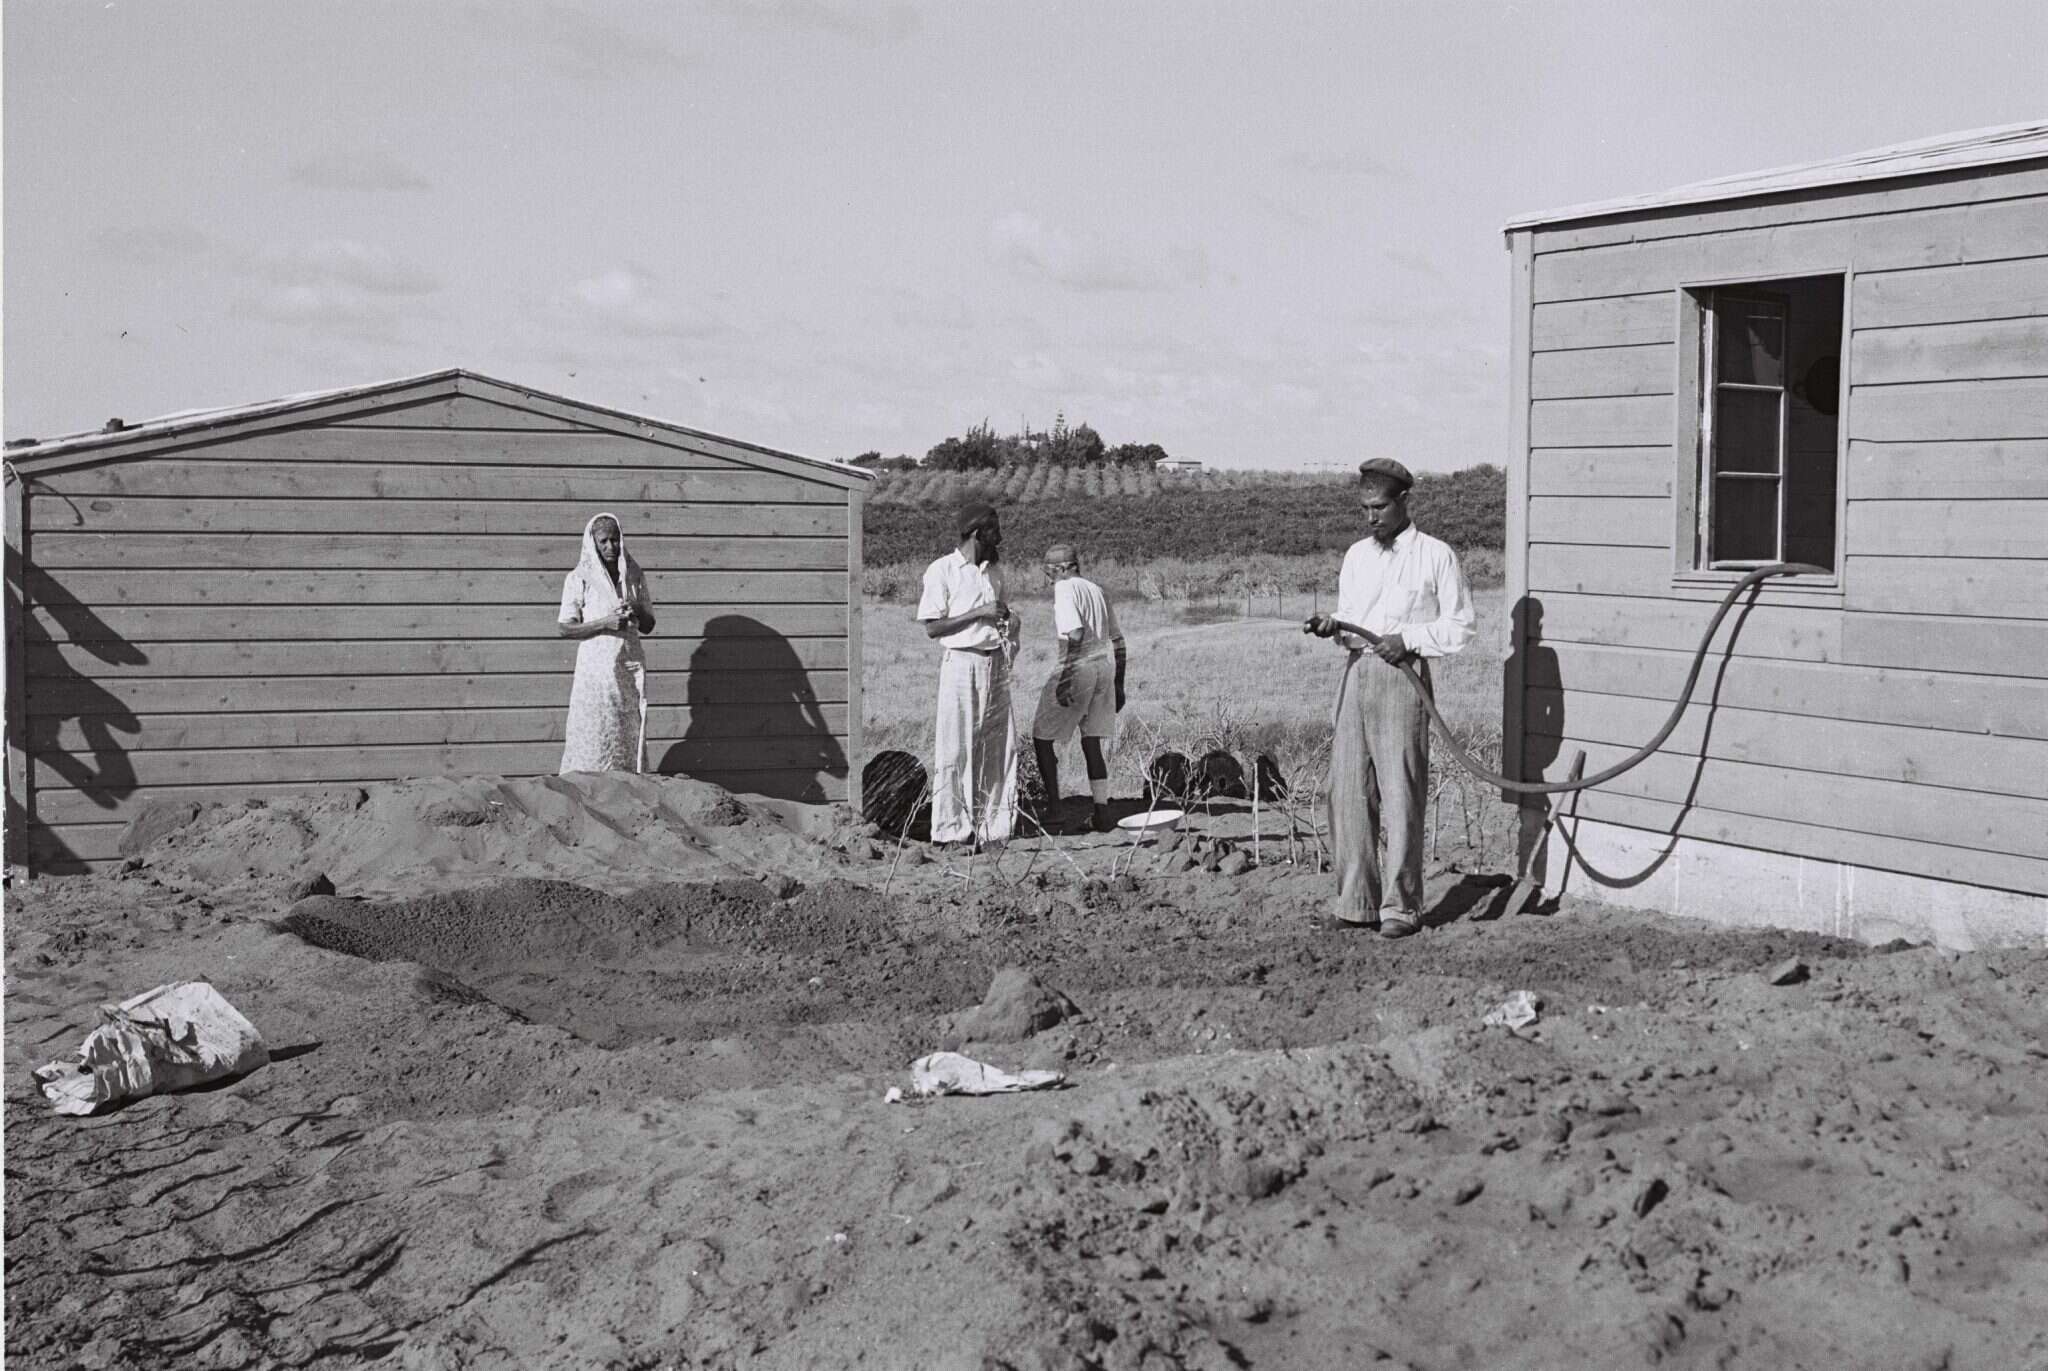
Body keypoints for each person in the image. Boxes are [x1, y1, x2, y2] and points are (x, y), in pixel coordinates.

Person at [1307, 459, 1475, 938]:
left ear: (1405, 501)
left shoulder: (1435, 556)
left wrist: (1409, 639)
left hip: (1403, 678)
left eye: (1379, 507)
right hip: (1357, 673)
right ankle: (1355, 901)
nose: (1371, 518)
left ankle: (1401, 908)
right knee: (1347, 792)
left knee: (1401, 792)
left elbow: (1461, 626)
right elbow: (1351, 615)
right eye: (1365, 509)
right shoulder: (1358, 555)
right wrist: (1332, 625)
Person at [916, 501, 1020, 848]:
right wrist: (979, 613)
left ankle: (995, 828)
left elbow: (1000, 614)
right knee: (956, 746)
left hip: (995, 661)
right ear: (977, 533)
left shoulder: (995, 573)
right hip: (961, 662)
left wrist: (1008, 622)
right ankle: (950, 830)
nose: (999, 539)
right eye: (994, 532)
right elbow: (933, 627)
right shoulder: (942, 570)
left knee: (999, 748)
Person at [1029, 543, 1127, 834]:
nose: (1048, 580)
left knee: (1042, 737)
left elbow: (1075, 633)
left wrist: (1065, 678)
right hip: (1104, 668)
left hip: (1080, 668)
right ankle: (1102, 811)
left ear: (1061, 569)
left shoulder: (1064, 588)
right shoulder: (1096, 590)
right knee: (1091, 740)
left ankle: (1055, 809)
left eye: (1049, 573)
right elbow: (1119, 642)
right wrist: (1119, 685)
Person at [557, 512, 656, 774]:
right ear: (593, 543)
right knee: (597, 730)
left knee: (627, 728)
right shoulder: (579, 578)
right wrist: (604, 623)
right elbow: (565, 627)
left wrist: (635, 607)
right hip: (596, 670)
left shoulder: (633, 575)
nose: (610, 547)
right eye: (604, 541)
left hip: (628, 665)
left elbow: (649, 625)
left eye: (615, 540)